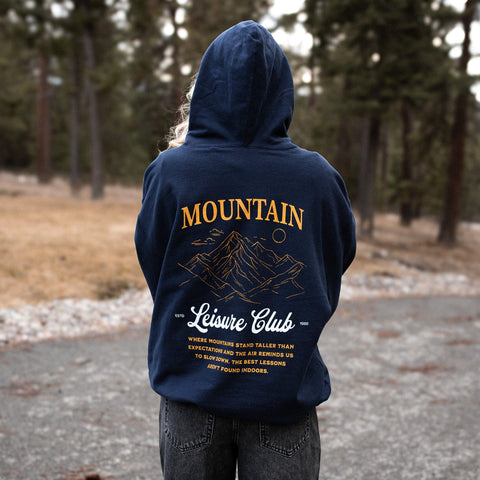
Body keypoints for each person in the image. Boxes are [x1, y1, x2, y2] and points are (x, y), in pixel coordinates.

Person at [135, 20, 356, 480]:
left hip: (192, 385)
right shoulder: (316, 177)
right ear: (281, 92)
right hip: (281, 390)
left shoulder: (171, 171)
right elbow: (333, 260)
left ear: (208, 87)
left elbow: (157, 264)